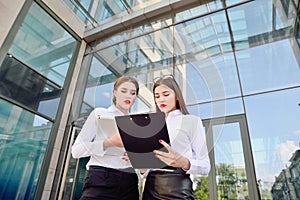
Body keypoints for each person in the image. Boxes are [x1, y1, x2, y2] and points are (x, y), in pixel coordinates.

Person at [142, 75, 211, 200]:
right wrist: (141, 166)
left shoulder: (191, 121)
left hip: (177, 189)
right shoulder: (152, 125)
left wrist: (184, 162)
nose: (161, 99)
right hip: (150, 189)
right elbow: (148, 169)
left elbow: (206, 166)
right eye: (157, 96)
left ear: (177, 96)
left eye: (166, 94)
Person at [71, 76, 140, 200]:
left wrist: (135, 157)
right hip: (101, 178)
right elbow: (76, 151)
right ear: (115, 92)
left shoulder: (136, 123)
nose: (128, 96)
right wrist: (108, 143)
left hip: (129, 182)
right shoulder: (100, 113)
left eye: (133, 93)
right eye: (123, 91)